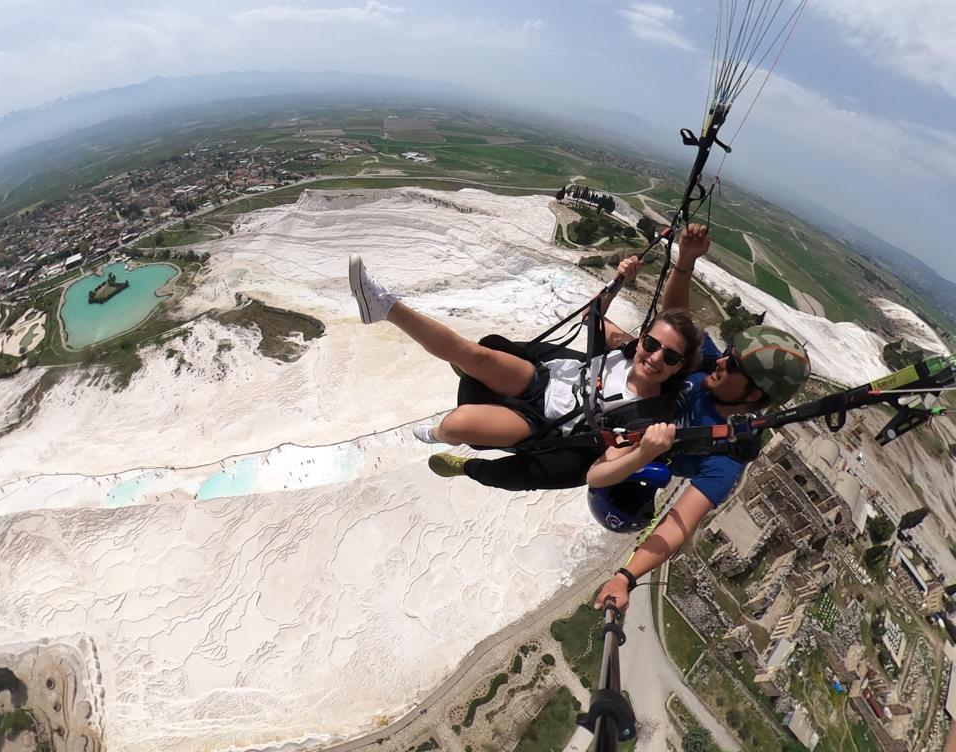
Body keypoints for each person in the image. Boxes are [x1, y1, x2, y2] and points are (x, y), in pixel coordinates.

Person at [589, 224, 811, 612]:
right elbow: (678, 322)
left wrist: (626, 576)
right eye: (729, 354)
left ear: (754, 393)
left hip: (619, 448)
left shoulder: (725, 455)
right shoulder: (708, 367)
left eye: (735, 364)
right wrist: (687, 260)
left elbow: (679, 522)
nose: (722, 359)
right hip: (618, 395)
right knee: (613, 336)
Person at [348, 252, 704, 453]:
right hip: (544, 379)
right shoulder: (627, 349)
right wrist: (619, 281)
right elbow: (592, 317)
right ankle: (385, 307)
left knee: (457, 424)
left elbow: (612, 457)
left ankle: (439, 436)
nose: (656, 358)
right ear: (643, 339)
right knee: (474, 355)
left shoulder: (646, 414)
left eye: (670, 357)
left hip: (545, 423)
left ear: (679, 368)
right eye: (653, 345)